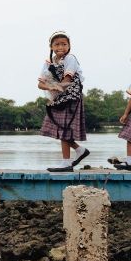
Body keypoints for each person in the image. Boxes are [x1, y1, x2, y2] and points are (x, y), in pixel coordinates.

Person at [38, 31, 90, 172]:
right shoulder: (49, 62)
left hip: (70, 97)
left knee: (64, 128)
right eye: (57, 44)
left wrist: (55, 87)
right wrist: (51, 87)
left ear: (69, 46)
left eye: (64, 44)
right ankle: (79, 150)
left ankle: (67, 162)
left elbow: (67, 80)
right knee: (59, 128)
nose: (60, 46)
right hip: (58, 97)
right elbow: (41, 84)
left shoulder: (70, 58)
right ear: (51, 46)